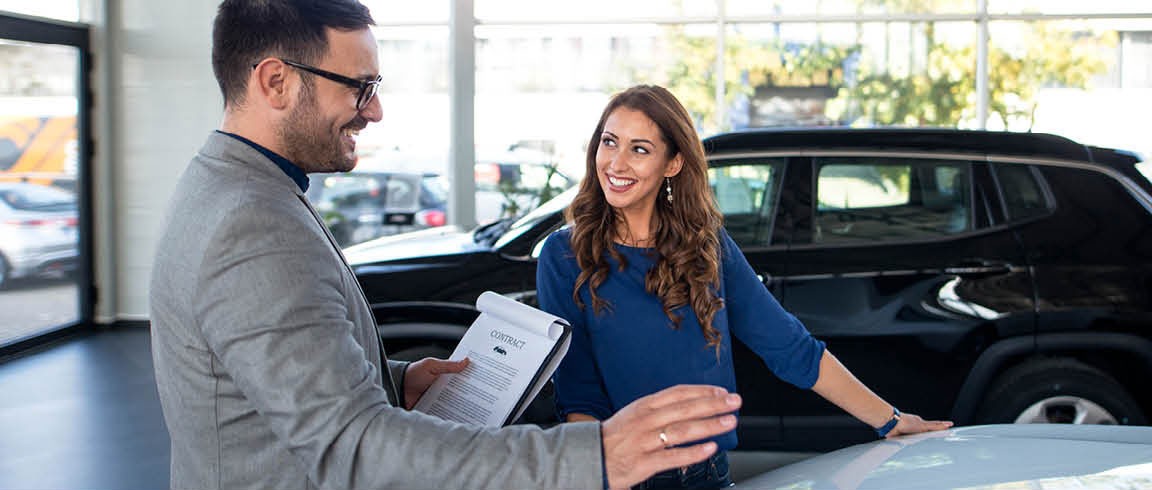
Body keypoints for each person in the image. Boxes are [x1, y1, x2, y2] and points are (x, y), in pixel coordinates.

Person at [149, 2, 742, 489]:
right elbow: (353, 447)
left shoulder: (233, 186)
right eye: (359, 87)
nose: (375, 110)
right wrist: (596, 456)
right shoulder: (253, 224)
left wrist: (393, 381)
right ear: (276, 81)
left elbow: (270, 387)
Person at [536, 85, 954, 489]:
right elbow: (578, 394)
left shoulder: (706, 245)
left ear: (673, 163)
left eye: (639, 149)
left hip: (706, 474)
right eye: (609, 142)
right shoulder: (563, 254)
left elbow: (789, 347)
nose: (616, 163)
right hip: (619, 475)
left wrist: (891, 420)